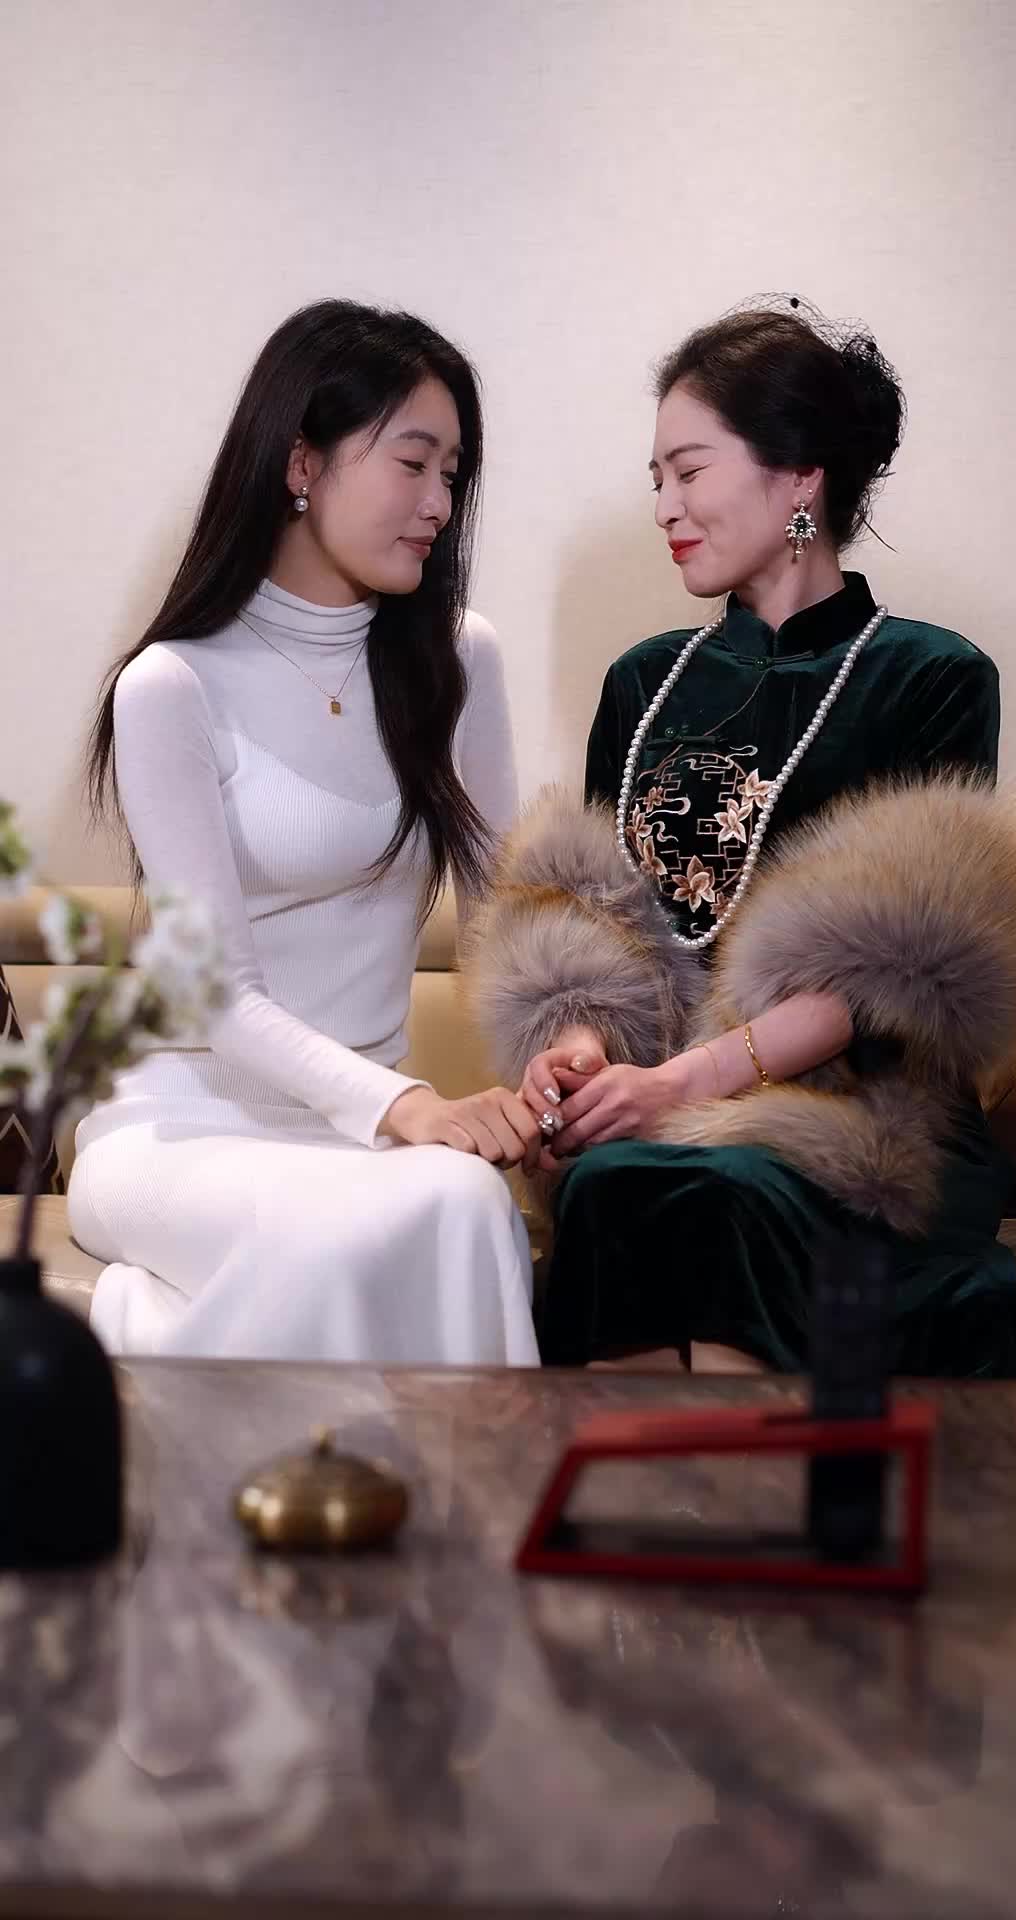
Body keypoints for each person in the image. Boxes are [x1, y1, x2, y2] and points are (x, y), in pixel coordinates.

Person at [465, 300, 1016, 1377]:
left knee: (697, 1183)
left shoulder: (930, 678)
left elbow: (893, 973)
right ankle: (645, 1476)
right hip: (669, 1109)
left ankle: (715, 1473)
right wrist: (586, 1052)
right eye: (656, 478)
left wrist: (684, 1087)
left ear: (798, 479)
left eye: (689, 471)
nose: (664, 506)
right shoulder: (646, 683)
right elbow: (600, 930)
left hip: (867, 1119)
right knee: (618, 1177)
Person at [69, 300, 540, 1365]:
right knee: (346, 1238)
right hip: (181, 1125)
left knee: (468, 1205)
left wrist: (561, 1045)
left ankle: (453, 1508)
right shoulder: (172, 686)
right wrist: (405, 1104)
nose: (439, 503)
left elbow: (506, 915)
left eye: (453, 473)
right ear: (301, 464)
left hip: (357, 1135)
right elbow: (215, 997)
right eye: (412, 463)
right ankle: (158, 1366)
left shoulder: (460, 657)